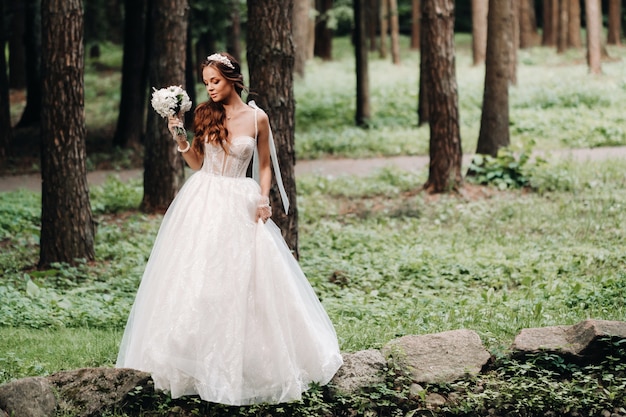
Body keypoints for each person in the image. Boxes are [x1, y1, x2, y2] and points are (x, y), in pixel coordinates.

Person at [115, 52, 343, 406]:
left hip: (241, 200)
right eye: (206, 82)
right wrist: (179, 137)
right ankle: (191, 358)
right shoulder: (206, 114)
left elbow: (264, 165)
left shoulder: (258, 118)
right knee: (199, 277)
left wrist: (264, 198)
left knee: (247, 277)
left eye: (215, 81)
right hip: (204, 197)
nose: (210, 88)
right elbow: (197, 163)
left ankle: (250, 361)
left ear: (233, 79)